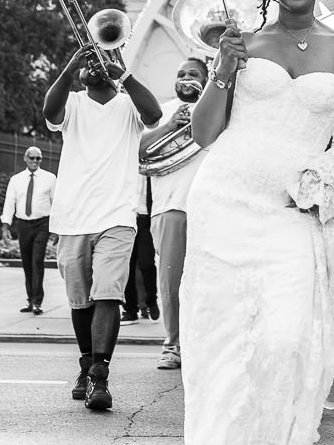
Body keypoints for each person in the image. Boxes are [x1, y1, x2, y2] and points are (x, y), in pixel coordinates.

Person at [179, 0, 334, 445]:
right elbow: (203, 134)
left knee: (287, 341)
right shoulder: (242, 45)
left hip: (297, 213)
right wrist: (223, 66)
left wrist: (325, 172)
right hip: (224, 204)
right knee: (223, 343)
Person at [43, 33, 164, 411]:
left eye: (98, 63)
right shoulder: (74, 103)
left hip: (117, 215)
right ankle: (85, 365)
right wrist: (69, 66)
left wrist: (122, 74)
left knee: (108, 293)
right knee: (80, 301)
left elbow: (155, 114)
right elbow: (50, 112)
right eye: (88, 64)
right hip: (72, 216)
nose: (91, 67)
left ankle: (100, 376)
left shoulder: (128, 105)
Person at [138, 55, 209, 370]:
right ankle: (173, 345)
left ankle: (205, 345)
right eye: (181, 73)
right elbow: (137, 151)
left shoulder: (215, 110)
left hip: (210, 207)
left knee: (210, 281)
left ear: (205, 81)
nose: (185, 78)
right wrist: (170, 126)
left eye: (193, 74)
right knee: (170, 281)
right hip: (169, 206)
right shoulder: (160, 111)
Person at [1, 146, 56, 316]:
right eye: (31, 158)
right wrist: (5, 225)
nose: (34, 161)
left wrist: (57, 228)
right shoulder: (16, 180)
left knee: (37, 260)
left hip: (42, 223)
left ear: (41, 160)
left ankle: (37, 301)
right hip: (23, 224)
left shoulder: (50, 178)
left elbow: (56, 203)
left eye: (38, 158)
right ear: (25, 159)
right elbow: (10, 202)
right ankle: (30, 298)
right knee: (27, 262)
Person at [121, 177, 159, 324]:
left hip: (146, 220)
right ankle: (130, 310)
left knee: (147, 263)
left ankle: (151, 301)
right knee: (127, 266)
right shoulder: (124, 167)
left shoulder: (151, 169)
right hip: (127, 219)